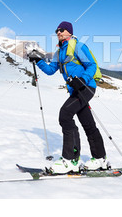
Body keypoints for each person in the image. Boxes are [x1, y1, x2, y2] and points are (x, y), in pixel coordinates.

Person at [28, 21, 109, 174]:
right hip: (75, 91)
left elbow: (92, 66)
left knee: (65, 115)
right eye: (57, 30)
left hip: (86, 87)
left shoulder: (78, 46)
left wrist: (82, 79)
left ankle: (71, 160)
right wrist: (37, 61)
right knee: (88, 123)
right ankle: (100, 159)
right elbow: (51, 70)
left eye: (61, 30)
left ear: (69, 32)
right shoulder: (59, 52)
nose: (58, 32)